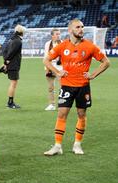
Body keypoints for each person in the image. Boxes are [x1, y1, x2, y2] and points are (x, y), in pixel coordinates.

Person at [43, 19, 110, 156]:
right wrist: (57, 72)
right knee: (61, 114)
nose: (81, 29)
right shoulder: (62, 46)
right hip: (66, 86)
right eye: (78, 27)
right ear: (70, 30)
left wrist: (93, 75)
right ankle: (57, 146)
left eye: (82, 27)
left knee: (81, 114)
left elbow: (106, 62)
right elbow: (46, 60)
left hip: (83, 86)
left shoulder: (90, 46)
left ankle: (77, 144)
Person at [1, 24, 25, 109]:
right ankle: (10, 102)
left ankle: (10, 102)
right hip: (14, 65)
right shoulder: (18, 41)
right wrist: (6, 62)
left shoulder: (10, 40)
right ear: (22, 32)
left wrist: (5, 62)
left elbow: (4, 51)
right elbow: (12, 53)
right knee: (13, 84)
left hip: (11, 64)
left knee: (12, 83)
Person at [44, 28, 62, 111]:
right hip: (50, 67)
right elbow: (45, 57)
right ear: (52, 35)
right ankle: (52, 104)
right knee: (50, 88)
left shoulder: (63, 43)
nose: (59, 35)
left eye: (59, 34)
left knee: (63, 87)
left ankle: (62, 104)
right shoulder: (47, 44)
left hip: (60, 69)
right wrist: (47, 68)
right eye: (57, 34)